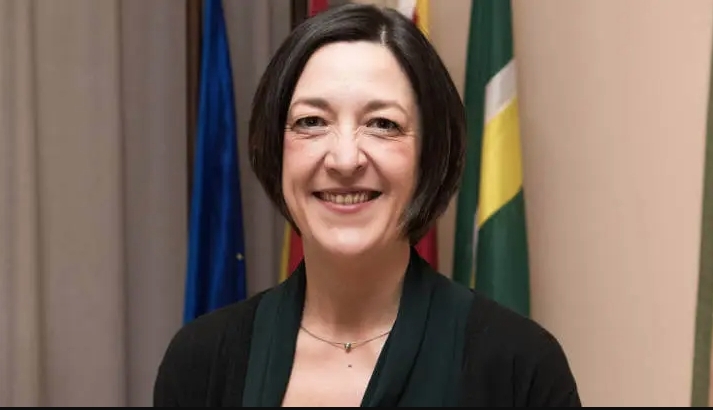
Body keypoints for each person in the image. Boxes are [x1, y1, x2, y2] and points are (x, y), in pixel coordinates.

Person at [153, 3, 581, 407]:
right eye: (311, 122)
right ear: (276, 149)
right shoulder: (200, 363)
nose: (344, 160)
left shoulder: (520, 368)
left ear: (428, 155)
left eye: (382, 124)